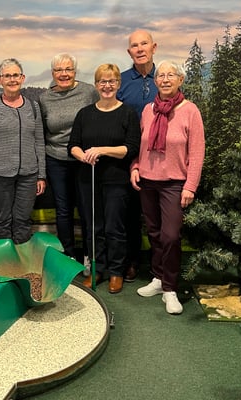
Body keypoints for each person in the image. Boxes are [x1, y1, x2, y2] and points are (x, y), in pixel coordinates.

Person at [130, 60, 205, 314]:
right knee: (154, 233)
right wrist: (135, 167)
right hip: (147, 181)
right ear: (155, 81)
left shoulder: (190, 111)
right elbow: (140, 144)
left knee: (170, 235)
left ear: (180, 80)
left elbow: (197, 152)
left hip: (174, 183)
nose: (165, 79)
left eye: (170, 75)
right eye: (160, 75)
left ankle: (170, 289)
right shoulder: (148, 110)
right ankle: (159, 278)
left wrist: (190, 186)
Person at [68, 63, 140, 294]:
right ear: (96, 85)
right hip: (88, 179)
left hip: (116, 180)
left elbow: (131, 148)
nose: (107, 86)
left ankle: (116, 271)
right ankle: (98, 269)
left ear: (118, 84)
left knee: (114, 227)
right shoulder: (85, 114)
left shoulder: (127, 113)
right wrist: (82, 156)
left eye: (111, 81)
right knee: (93, 227)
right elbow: (73, 145)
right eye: (102, 81)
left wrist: (102, 150)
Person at [38, 53, 99, 276]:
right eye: (59, 70)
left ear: (75, 71)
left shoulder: (89, 92)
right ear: (52, 73)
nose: (64, 74)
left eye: (68, 69)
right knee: (63, 210)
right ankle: (68, 256)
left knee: (86, 210)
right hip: (56, 159)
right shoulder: (45, 99)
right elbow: (41, 132)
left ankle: (89, 257)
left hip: (84, 160)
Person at [0, 58, 46, 244]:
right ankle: (4, 258)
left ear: (22, 78)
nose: (12, 79)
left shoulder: (33, 107)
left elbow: (39, 141)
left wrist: (41, 175)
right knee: (3, 220)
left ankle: (21, 257)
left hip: (29, 174)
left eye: (16, 75)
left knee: (23, 220)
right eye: (7, 76)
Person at [117, 29, 159, 283]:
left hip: (159, 159)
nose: (140, 49)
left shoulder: (164, 77)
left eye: (144, 44)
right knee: (130, 213)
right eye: (135, 45)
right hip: (128, 158)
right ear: (129, 52)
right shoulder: (121, 81)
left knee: (158, 214)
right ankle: (131, 261)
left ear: (154, 47)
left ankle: (159, 266)